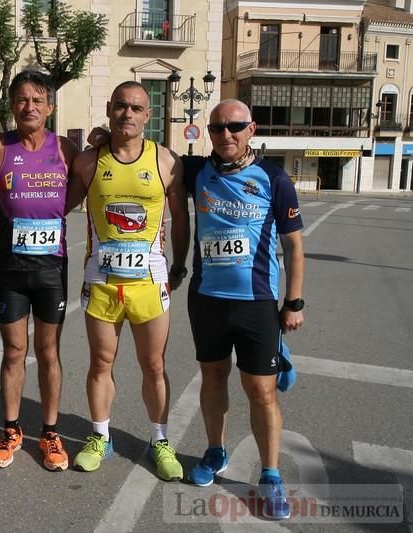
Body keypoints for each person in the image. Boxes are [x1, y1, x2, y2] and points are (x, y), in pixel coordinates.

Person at [182, 98, 305, 520]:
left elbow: (293, 244)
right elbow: (149, 154)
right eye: (217, 128)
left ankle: (270, 474)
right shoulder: (197, 171)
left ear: (251, 129)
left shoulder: (274, 177)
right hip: (207, 300)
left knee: (261, 391)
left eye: (234, 126)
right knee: (213, 377)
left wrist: (294, 302)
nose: (225, 134)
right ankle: (215, 451)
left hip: (256, 303)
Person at [65, 81, 190, 480]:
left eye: (136, 108)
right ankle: (100, 435)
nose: (128, 114)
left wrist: (180, 264)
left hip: (150, 283)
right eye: (121, 106)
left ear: (147, 115)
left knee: (153, 365)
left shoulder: (166, 161)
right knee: (101, 362)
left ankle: (160, 439)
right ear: (109, 108)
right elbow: (56, 205)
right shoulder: (88, 162)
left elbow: (181, 218)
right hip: (101, 281)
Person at [0, 70, 78, 471]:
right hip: (11, 266)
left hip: (52, 266)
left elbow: (82, 188)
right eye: (22, 100)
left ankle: (50, 432)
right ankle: (11, 428)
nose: (29, 107)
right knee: (14, 351)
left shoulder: (67, 150)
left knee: (48, 351)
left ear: (50, 108)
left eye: (38, 100)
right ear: (11, 106)